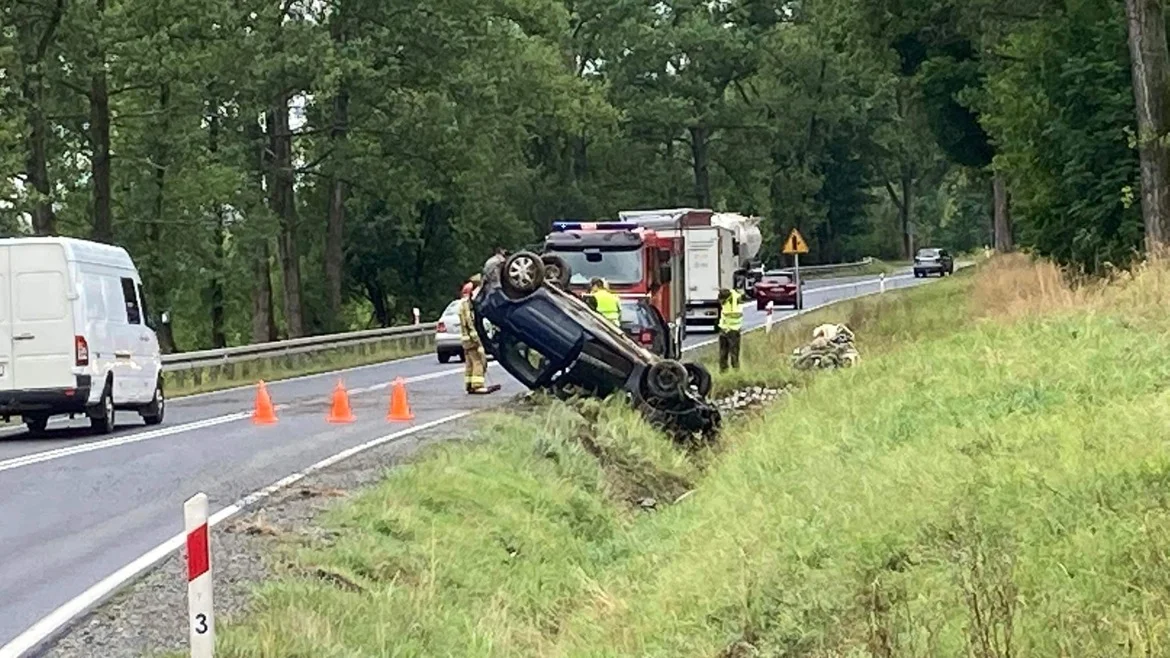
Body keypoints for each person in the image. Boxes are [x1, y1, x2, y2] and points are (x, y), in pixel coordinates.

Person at [459, 274, 498, 394]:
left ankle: (469, 384)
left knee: (470, 362)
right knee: (479, 361)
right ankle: (477, 385)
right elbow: (470, 323)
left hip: (466, 340)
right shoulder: (468, 305)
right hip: (472, 339)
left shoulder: (462, 303)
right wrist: (478, 341)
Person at [717, 287, 743, 371]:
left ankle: (735, 370)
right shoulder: (728, 301)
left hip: (733, 330)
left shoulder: (734, 302)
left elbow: (734, 315)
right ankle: (723, 370)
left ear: (726, 298)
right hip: (724, 329)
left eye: (721, 300)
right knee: (723, 353)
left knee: (734, 353)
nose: (721, 302)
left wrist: (728, 328)